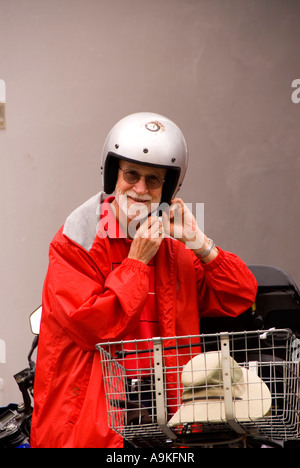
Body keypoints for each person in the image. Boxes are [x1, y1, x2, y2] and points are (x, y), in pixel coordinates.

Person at [30, 112, 257, 448]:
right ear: (112, 176)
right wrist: (137, 262)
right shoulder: (76, 239)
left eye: (153, 180)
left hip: (165, 422)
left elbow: (239, 297)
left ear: (167, 188)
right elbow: (92, 327)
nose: (140, 189)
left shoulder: (176, 246)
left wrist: (201, 243)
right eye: (131, 175)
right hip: (91, 428)